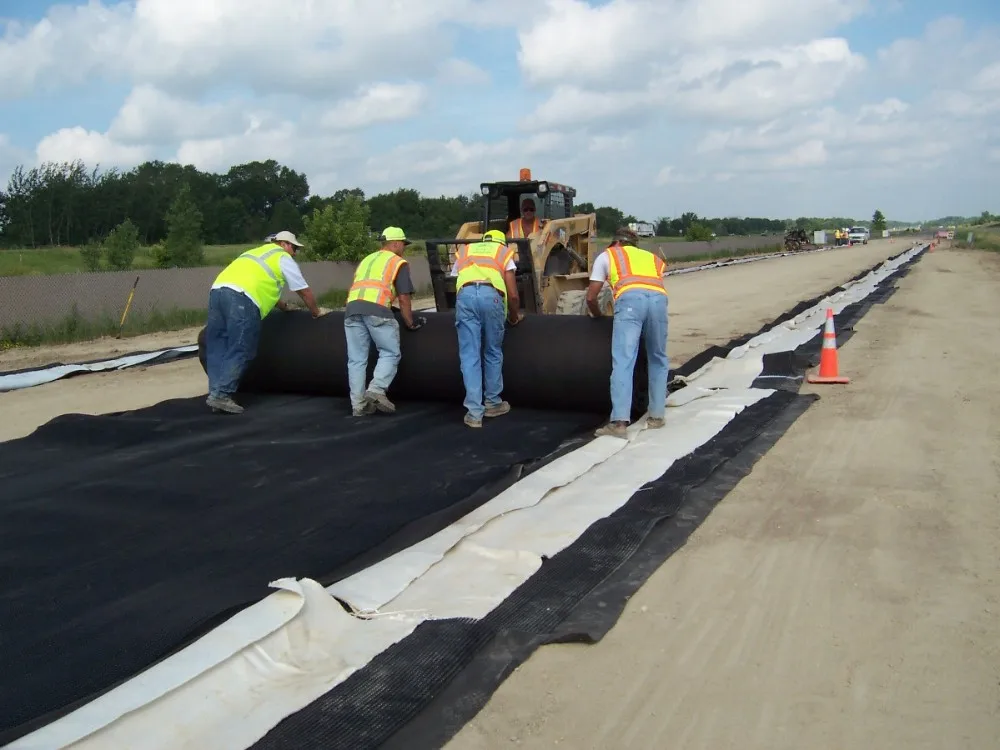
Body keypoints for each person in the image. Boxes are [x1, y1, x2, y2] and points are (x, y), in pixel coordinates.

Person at [205, 230, 321, 415]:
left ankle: (215, 393)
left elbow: (257, 283)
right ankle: (222, 395)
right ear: (283, 244)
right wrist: (316, 312)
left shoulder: (253, 253)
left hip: (217, 293)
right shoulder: (282, 257)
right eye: (294, 248)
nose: (295, 253)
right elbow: (303, 290)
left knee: (218, 345)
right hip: (241, 299)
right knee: (241, 347)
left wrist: (283, 306)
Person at [586, 228, 669, 439]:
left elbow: (591, 297)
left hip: (631, 302)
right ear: (634, 244)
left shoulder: (608, 256)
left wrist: (597, 316)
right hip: (659, 302)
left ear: (615, 243)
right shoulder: (652, 258)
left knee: (624, 359)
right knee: (658, 357)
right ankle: (657, 416)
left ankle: (619, 423)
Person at [344, 226, 426, 417]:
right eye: (403, 244)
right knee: (390, 353)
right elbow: (404, 296)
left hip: (352, 309)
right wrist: (409, 322)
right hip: (377, 310)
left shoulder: (367, 259)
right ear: (396, 243)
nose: (404, 248)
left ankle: (358, 406)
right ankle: (377, 388)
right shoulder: (398, 262)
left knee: (356, 360)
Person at [451, 228, 522, 428]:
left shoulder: (466, 251)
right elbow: (513, 294)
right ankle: (492, 403)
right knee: (492, 351)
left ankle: (474, 413)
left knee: (469, 354)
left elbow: (455, 277)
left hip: (465, 295)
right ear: (501, 242)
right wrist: (514, 316)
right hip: (491, 296)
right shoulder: (503, 252)